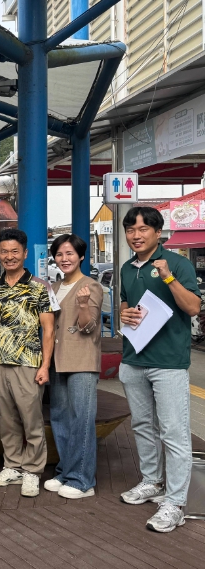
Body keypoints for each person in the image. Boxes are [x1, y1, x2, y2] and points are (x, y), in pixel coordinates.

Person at [118, 206, 200, 533]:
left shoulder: (177, 264)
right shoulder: (126, 268)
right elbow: (126, 303)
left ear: (157, 232)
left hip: (168, 363)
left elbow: (193, 307)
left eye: (143, 229)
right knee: (142, 426)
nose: (136, 235)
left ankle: (175, 503)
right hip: (133, 359)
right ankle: (152, 482)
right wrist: (124, 313)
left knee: (173, 432)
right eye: (130, 230)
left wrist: (167, 277)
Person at [0, 228, 56, 497]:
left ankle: (32, 471)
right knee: (7, 418)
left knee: (32, 419)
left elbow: (49, 330)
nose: (9, 256)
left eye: (15, 251)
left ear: (25, 253)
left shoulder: (40, 287)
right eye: (4, 251)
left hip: (28, 363)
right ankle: (12, 466)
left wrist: (45, 366)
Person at [44, 234, 103, 499]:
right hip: (57, 359)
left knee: (82, 419)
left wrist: (82, 304)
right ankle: (66, 471)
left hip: (81, 360)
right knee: (60, 417)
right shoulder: (54, 287)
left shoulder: (91, 286)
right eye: (59, 254)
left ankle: (82, 480)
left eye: (70, 253)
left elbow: (88, 327)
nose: (64, 259)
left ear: (81, 256)